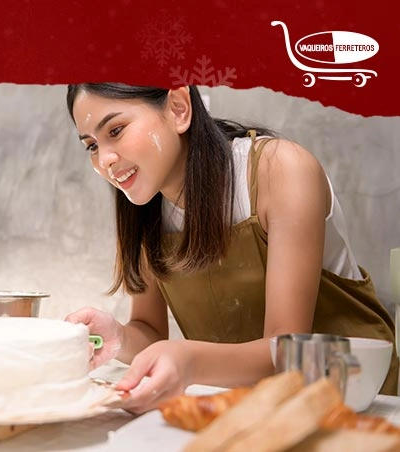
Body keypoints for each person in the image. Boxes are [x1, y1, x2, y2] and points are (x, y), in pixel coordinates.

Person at [64, 83, 398, 414]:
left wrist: (189, 360)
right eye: (91, 145)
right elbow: (150, 333)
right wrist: (118, 335)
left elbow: (289, 352)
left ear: (178, 108)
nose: (105, 159)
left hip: (358, 401)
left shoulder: (281, 170)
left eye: (116, 130)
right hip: (254, 407)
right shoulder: (144, 206)